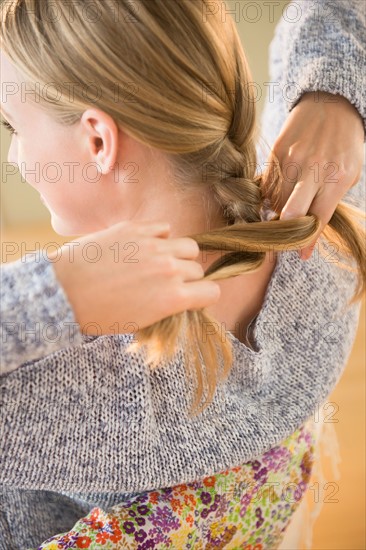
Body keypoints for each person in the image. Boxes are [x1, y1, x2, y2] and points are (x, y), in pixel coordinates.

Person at [0, 1, 364, 549]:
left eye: (15, 126)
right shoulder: (322, 238)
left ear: (98, 141)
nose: (15, 155)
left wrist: (55, 292)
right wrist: (335, 97)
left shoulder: (58, 394)